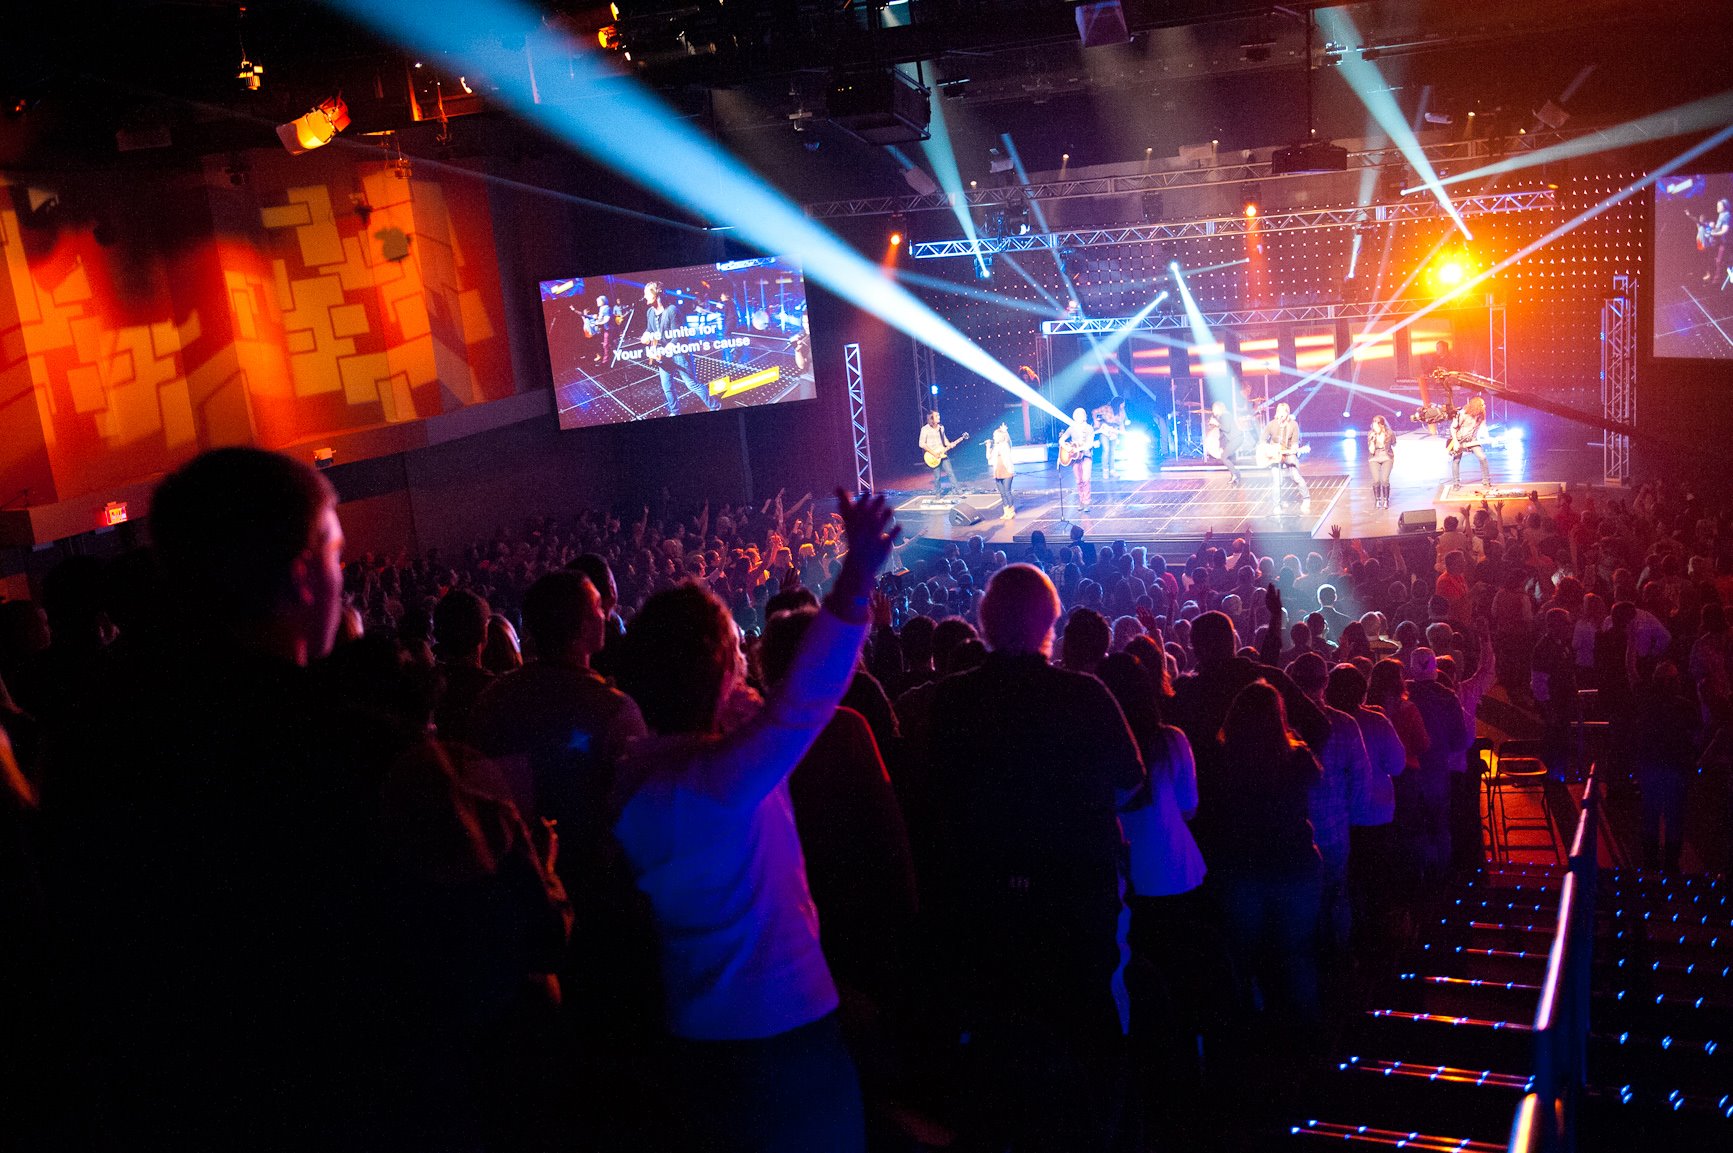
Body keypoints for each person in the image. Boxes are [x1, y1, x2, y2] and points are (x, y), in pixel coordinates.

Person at [36, 448, 571, 1152]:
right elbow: (503, 949)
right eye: (336, 557)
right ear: (301, 575)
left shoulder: (89, 750)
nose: (343, 580)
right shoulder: (363, 750)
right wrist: (529, 864)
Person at [610, 489, 898, 1153]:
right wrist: (855, 577)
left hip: (702, 1041)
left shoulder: (643, 779)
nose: (746, 665)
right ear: (719, 671)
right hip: (779, 1042)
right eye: (735, 656)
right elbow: (802, 704)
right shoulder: (714, 785)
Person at [924, 563, 1144, 1153]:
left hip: (983, 906)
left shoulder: (950, 700)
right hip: (1075, 905)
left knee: (997, 1044)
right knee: (1086, 1032)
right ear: (1052, 620)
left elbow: (933, 796)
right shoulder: (1085, 694)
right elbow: (1132, 783)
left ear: (985, 620)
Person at [1210, 681, 1325, 1035]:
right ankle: (1306, 1035)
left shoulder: (1221, 759)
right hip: (1293, 863)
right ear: (1279, 717)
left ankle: (1246, 1034)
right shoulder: (1298, 757)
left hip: (1242, 867)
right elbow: (1315, 782)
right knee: (1296, 953)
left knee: (1242, 954)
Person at [641, 280, 719, 416]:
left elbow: (677, 337)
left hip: (679, 354)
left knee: (692, 384)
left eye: (647, 293)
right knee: (667, 387)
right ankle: (675, 412)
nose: (644, 296)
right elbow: (650, 329)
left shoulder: (672, 310)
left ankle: (715, 406)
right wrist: (646, 335)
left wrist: (664, 351)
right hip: (664, 356)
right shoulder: (650, 312)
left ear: (657, 294)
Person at [1261, 402, 1310, 514]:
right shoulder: (1272, 424)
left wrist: (1294, 449)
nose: (1281, 414)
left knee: (1295, 476)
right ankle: (1277, 505)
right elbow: (1263, 440)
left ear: (1287, 413)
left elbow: (1295, 443)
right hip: (1275, 455)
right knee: (1277, 481)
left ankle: (1306, 499)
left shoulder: (1293, 425)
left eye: (1284, 411)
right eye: (1279, 411)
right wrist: (1269, 450)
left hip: (1288, 453)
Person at [1448, 396, 1490, 490]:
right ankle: (1456, 483)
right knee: (1456, 460)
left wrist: (1487, 438)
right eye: (1482, 404)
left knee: (1482, 457)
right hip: (1460, 440)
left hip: (1472, 440)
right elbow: (1453, 428)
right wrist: (1456, 442)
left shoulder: (1482, 414)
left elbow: (1483, 427)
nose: (1484, 406)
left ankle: (1486, 481)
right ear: (1476, 406)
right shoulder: (1463, 414)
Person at [919, 410, 962, 495]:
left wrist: (950, 444)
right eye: (936, 416)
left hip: (943, 454)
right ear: (931, 418)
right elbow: (921, 444)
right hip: (932, 456)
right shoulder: (925, 429)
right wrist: (933, 453)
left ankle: (958, 490)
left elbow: (944, 439)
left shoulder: (941, 427)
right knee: (937, 477)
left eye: (938, 415)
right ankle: (938, 494)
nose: (939, 417)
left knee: (950, 472)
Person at [1062, 406, 1097, 511]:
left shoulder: (1089, 428)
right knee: (1078, 480)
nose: (1078, 417)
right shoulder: (1071, 428)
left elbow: (1090, 444)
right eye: (1076, 415)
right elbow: (1061, 440)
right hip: (1075, 458)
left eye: (1080, 415)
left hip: (1086, 456)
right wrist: (1067, 448)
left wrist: (1079, 449)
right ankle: (1081, 500)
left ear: (1084, 416)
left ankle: (1087, 502)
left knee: (1086, 479)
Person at [1209, 400, 1245, 486]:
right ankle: (1235, 475)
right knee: (1226, 457)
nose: (1213, 411)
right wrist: (1222, 446)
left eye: (1213, 409)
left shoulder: (1225, 415)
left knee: (1224, 457)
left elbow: (1227, 428)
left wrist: (1217, 424)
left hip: (1236, 438)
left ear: (1218, 408)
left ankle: (1235, 474)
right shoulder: (1221, 417)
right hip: (1233, 439)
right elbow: (1222, 434)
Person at [988, 422, 1018, 518]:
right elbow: (989, 458)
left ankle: (1011, 511)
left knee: (1007, 492)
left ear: (1000, 436)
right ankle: (1006, 512)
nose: (993, 437)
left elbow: (1009, 441)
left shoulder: (1005, 445)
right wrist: (988, 447)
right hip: (998, 472)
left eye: (995, 435)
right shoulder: (995, 447)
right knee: (1002, 493)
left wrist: (1005, 431)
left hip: (1006, 471)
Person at [1367, 414, 1396, 510]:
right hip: (1374, 457)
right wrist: (1372, 440)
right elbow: (1371, 450)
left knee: (1384, 479)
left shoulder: (1390, 433)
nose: (1374, 427)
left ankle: (1386, 500)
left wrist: (1387, 445)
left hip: (1386, 456)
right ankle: (1377, 499)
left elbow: (1394, 443)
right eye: (1373, 424)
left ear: (1381, 425)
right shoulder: (1371, 434)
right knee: (1376, 480)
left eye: (1376, 425)